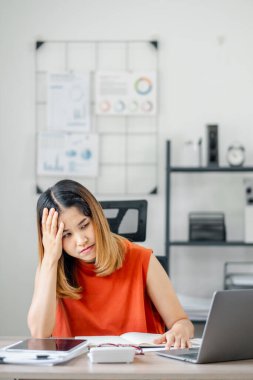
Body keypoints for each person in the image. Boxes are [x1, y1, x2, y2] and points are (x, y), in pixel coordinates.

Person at [28, 179, 194, 349]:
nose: (81, 240)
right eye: (66, 235)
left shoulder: (142, 259)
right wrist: (49, 260)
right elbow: (39, 334)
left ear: (97, 217)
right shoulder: (51, 268)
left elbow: (182, 322)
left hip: (139, 368)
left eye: (84, 225)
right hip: (78, 370)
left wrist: (180, 329)